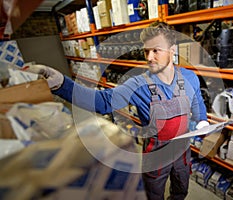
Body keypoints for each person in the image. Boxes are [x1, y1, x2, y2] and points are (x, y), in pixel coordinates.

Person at [24, 21, 209, 200]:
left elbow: (198, 103)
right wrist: (61, 84)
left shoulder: (189, 77)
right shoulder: (138, 84)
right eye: (146, 51)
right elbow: (101, 102)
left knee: (181, 190)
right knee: (154, 193)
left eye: (155, 51)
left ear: (172, 50)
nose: (149, 57)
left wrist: (202, 121)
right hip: (156, 155)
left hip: (183, 151)